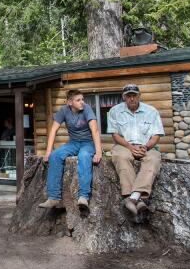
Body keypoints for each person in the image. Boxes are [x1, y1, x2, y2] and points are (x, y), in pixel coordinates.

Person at [107, 83, 166, 221]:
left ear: (139, 96)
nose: (131, 99)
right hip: (124, 145)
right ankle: (137, 200)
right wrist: (129, 146)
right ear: (124, 98)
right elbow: (115, 135)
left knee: (153, 160)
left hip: (146, 146)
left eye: (134, 95)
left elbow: (156, 135)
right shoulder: (115, 111)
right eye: (128, 96)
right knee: (120, 157)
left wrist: (145, 147)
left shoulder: (151, 111)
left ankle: (133, 197)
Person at [39, 89, 102, 213]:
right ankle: (53, 197)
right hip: (73, 143)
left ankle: (83, 196)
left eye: (82, 99)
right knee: (55, 156)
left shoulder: (87, 109)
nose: (82, 102)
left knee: (84, 156)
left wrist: (98, 151)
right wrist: (48, 152)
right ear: (70, 102)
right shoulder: (63, 111)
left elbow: (95, 130)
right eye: (78, 100)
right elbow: (53, 131)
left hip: (88, 143)